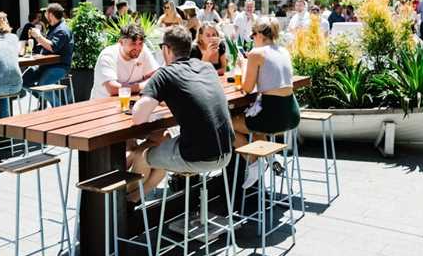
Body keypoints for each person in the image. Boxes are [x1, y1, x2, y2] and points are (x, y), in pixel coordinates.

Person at [128, 25, 234, 200]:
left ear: (166, 49)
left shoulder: (165, 73)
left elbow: (138, 118)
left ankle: (122, 205)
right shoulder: (206, 68)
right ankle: (134, 200)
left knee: (142, 154)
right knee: (161, 154)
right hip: (226, 150)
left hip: (199, 155)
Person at [232, 20, 300, 188]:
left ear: (260, 35)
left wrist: (243, 64)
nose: (252, 39)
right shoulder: (283, 50)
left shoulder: (256, 53)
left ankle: (255, 162)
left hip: (271, 117)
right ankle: (270, 157)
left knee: (225, 125)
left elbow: (247, 89)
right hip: (291, 114)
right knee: (252, 124)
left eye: (252, 35)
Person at [22, 2, 74, 104]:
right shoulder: (54, 27)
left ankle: (59, 110)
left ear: (50, 14)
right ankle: (42, 97)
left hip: (59, 66)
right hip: (45, 65)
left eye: (46, 13)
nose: (45, 16)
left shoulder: (62, 30)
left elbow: (53, 47)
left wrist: (38, 36)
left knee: (43, 86)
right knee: (22, 81)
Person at [90, 23, 158, 99]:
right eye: (133, 43)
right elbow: (113, 89)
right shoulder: (108, 55)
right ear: (121, 42)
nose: (137, 48)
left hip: (132, 101)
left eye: (140, 43)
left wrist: (127, 88)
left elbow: (155, 76)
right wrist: (143, 85)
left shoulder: (143, 50)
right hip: (102, 104)